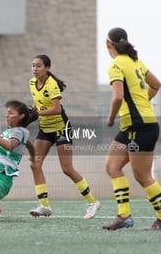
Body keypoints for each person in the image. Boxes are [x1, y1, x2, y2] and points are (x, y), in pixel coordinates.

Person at [101, 27, 161, 230]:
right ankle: (124, 216)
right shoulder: (136, 62)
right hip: (132, 126)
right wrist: (143, 102)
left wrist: (110, 118)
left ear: (108, 44)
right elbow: (156, 84)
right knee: (112, 167)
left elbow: (118, 96)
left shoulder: (116, 65)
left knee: (142, 175)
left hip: (139, 128)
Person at [28, 54, 100, 219]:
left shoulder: (51, 85)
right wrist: (30, 112)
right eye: (33, 65)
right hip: (45, 129)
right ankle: (44, 206)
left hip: (61, 128)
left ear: (47, 68)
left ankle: (92, 202)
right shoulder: (32, 83)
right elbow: (37, 104)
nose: (34, 69)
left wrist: (37, 113)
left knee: (67, 169)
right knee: (34, 164)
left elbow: (57, 109)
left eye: (38, 66)